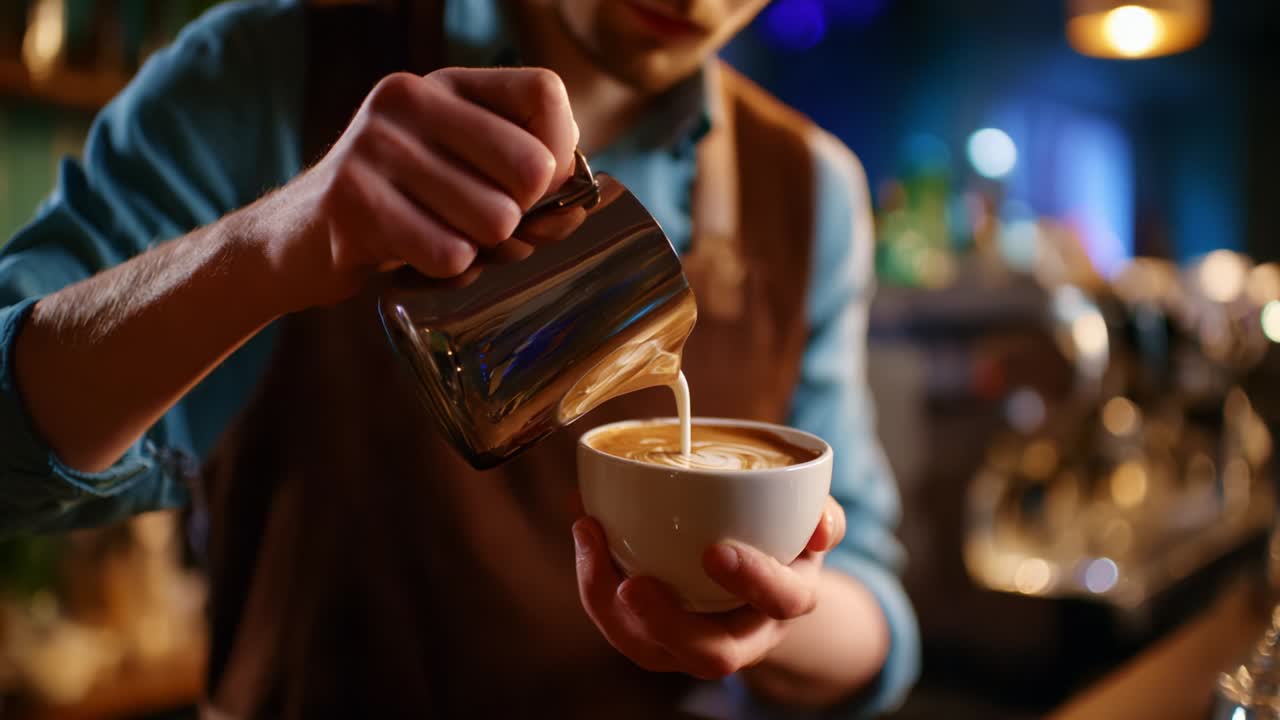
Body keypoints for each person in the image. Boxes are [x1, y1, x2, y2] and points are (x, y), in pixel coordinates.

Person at [0, 0, 919, 716]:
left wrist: (770, 619)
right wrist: (279, 240)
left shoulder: (810, 189)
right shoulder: (271, 70)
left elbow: (874, 599)